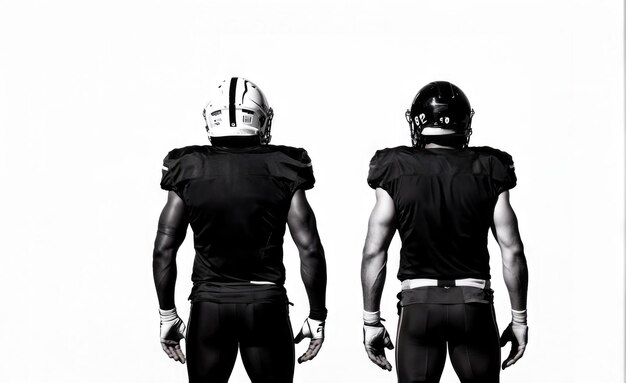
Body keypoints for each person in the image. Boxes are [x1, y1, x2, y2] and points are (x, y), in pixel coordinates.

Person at [152, 77, 327, 383]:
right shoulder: (283, 165)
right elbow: (309, 248)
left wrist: (167, 313)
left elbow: (165, 248)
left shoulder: (189, 167)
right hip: (265, 304)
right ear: (259, 118)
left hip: (210, 305)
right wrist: (316, 315)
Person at [360, 81, 529, 382]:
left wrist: (371, 320)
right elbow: (511, 250)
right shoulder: (489, 167)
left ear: (418, 121)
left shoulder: (396, 168)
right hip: (473, 302)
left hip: (419, 304)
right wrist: (519, 319)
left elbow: (375, 251)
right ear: (465, 122)